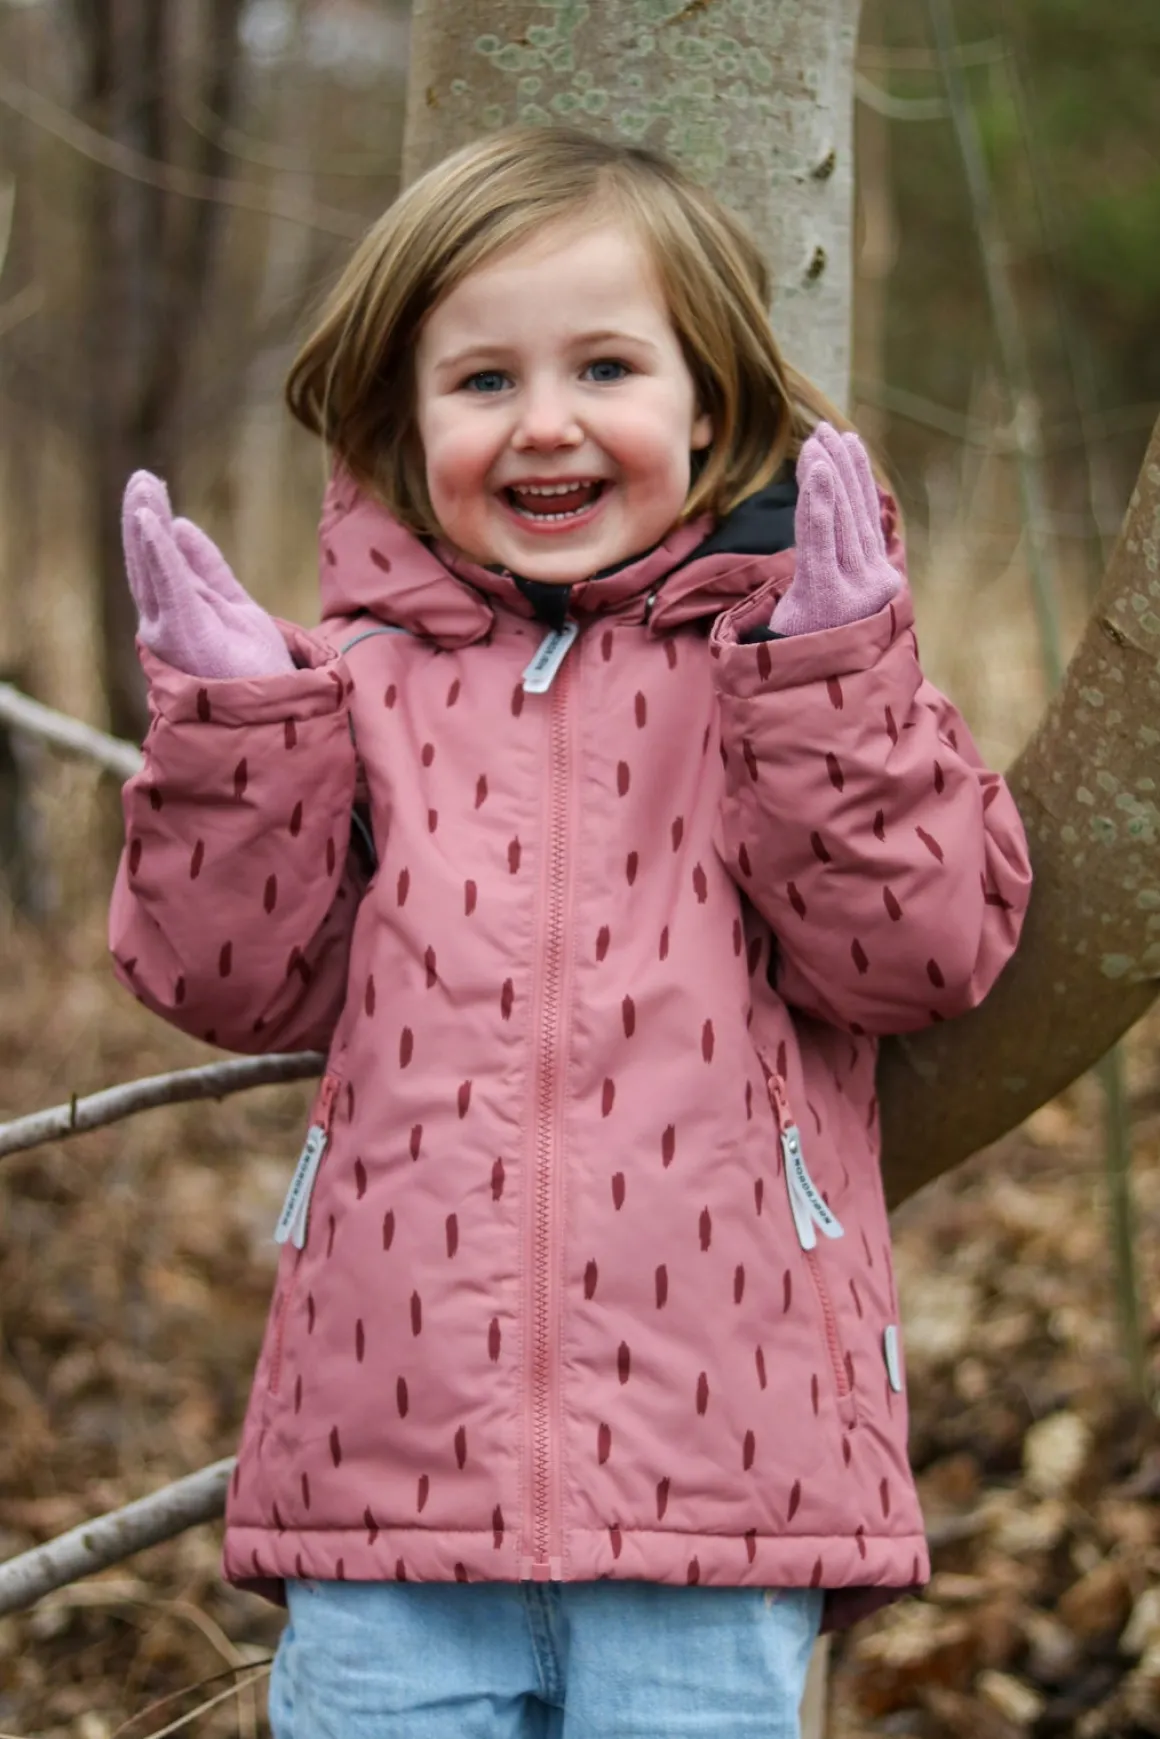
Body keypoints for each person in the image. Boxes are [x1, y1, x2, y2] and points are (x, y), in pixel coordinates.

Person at [109, 125, 1032, 1738]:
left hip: (724, 1478)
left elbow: (921, 951)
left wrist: (836, 681)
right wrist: (233, 736)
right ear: (404, 420)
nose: (545, 423)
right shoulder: (354, 692)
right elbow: (224, 976)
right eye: (483, 381)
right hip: (386, 1482)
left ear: (711, 402)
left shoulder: (787, 669)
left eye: (606, 367)